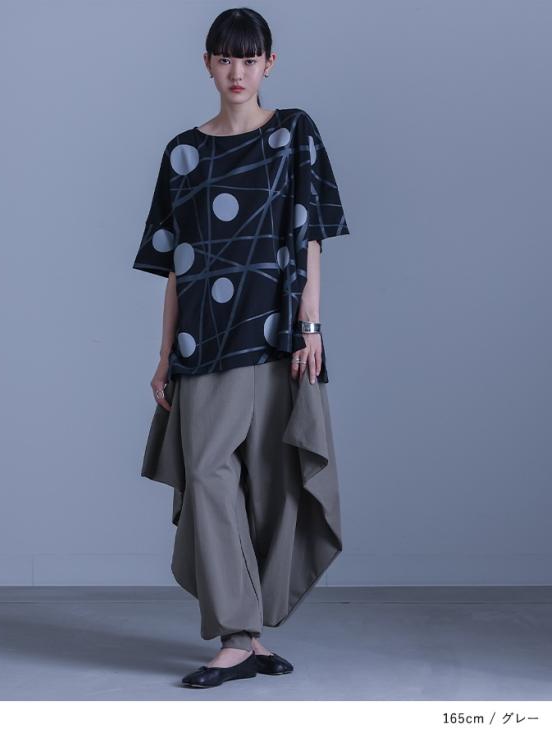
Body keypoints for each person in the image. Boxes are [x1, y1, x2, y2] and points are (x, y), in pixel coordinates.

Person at [133, 7, 350, 688]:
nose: (238, 72)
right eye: (226, 58)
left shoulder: (294, 134)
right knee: (208, 475)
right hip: (204, 341)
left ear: (269, 65)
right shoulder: (182, 154)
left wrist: (310, 325)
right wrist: (164, 354)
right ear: (207, 63)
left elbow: (310, 237)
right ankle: (237, 636)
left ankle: (247, 637)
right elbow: (177, 266)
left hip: (277, 335)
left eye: (250, 60)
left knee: (273, 484)